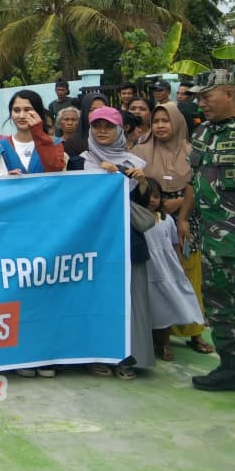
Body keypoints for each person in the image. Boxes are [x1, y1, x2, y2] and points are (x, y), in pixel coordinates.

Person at [77, 106, 154, 378]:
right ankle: (97, 354)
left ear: (120, 130)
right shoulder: (81, 162)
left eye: (108, 126)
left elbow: (146, 206)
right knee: (96, 298)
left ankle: (128, 357)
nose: (102, 131)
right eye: (97, 126)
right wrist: (99, 178)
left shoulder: (135, 164)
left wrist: (141, 182)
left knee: (131, 301)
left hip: (128, 244)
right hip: (93, 245)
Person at [132, 102, 213, 351]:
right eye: (156, 121)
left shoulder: (193, 151)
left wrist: (181, 212)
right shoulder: (139, 152)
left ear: (177, 123)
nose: (160, 126)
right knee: (155, 279)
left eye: (165, 121)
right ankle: (159, 334)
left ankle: (194, 331)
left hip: (186, 223)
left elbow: (201, 185)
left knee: (188, 276)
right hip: (150, 224)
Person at [188, 69, 235, 391]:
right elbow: (196, 180)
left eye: (206, 96)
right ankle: (232, 367)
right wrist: (183, 218)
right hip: (211, 239)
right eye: (198, 98)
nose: (201, 103)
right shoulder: (203, 133)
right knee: (220, 305)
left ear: (230, 94)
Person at [140, 179, 204, 361]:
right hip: (147, 269)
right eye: (148, 195)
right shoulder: (135, 216)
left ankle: (164, 343)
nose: (152, 200)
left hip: (166, 270)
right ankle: (151, 343)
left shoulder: (167, 220)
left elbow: (175, 244)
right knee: (150, 306)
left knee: (167, 305)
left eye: (156, 196)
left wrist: (179, 264)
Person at [0, 90, 66, 174]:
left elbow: (55, 169)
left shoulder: (55, 143)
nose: (21, 116)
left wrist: (38, 132)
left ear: (38, 113)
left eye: (27, 110)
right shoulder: (0, 146)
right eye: (16, 110)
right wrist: (5, 177)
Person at [63, 92, 109, 159]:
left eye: (101, 109)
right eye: (92, 110)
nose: (98, 113)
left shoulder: (115, 138)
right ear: (85, 111)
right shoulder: (73, 143)